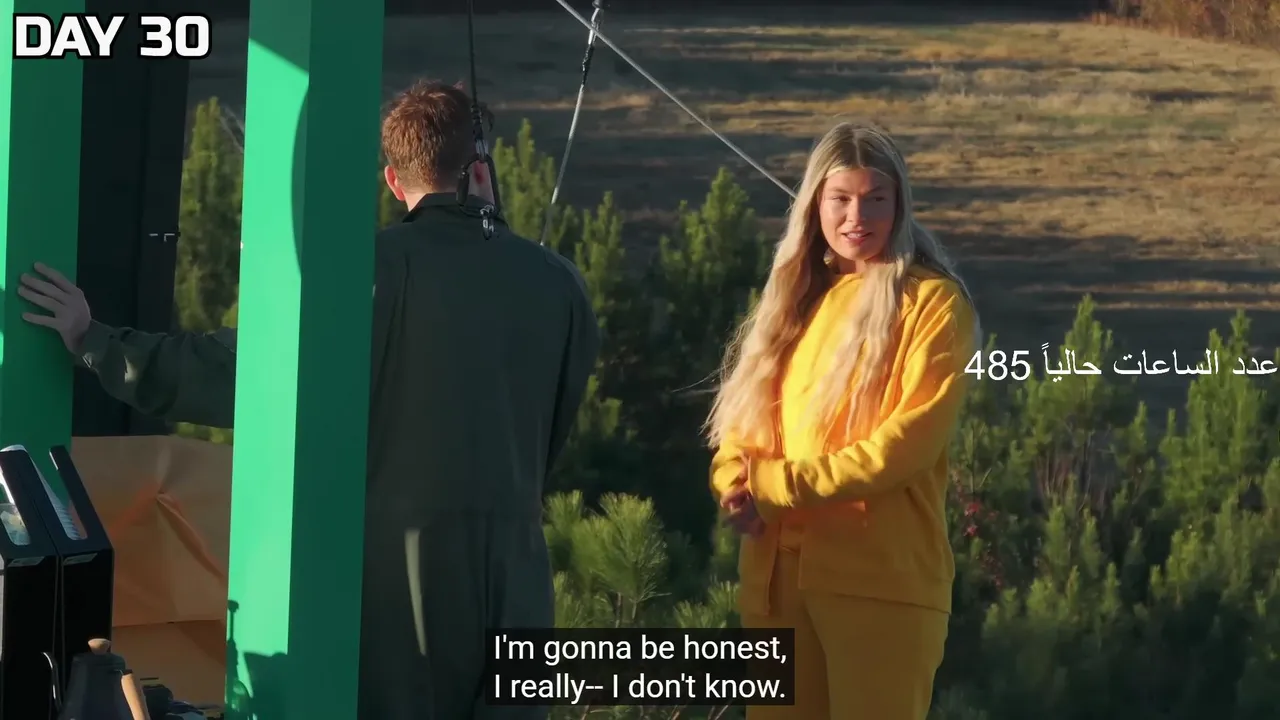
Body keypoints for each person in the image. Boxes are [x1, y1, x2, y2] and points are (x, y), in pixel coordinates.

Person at [19, 79, 600, 720]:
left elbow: (235, 375)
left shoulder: (358, 273)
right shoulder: (562, 284)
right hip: (520, 585)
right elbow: (553, 435)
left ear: (393, 180)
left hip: (388, 598)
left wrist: (94, 340)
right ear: (484, 168)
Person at [704, 122, 979, 720]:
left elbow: (903, 447)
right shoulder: (794, 299)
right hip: (774, 588)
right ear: (815, 205)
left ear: (899, 204)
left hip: (878, 585)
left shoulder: (931, 304)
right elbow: (742, 431)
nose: (858, 216)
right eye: (841, 199)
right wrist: (734, 481)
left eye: (876, 198)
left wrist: (773, 486)